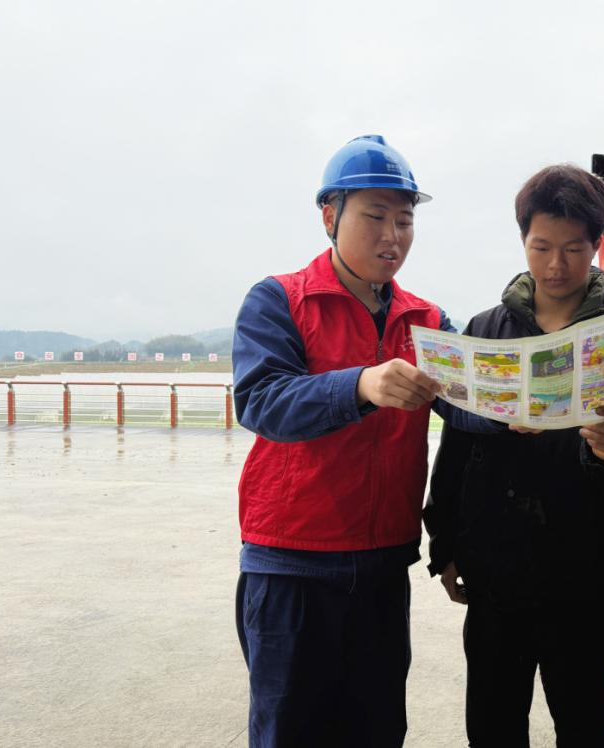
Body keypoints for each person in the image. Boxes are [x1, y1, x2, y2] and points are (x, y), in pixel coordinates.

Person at [232, 134, 493, 747]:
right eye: (375, 217)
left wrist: (534, 415)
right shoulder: (278, 300)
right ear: (330, 216)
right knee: (290, 731)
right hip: (293, 564)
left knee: (376, 730)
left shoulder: (427, 322)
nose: (392, 237)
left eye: (404, 221)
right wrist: (359, 385)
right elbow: (261, 400)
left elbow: (472, 405)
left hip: (381, 567)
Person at [423, 164, 604, 747]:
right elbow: (457, 447)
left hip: (583, 581)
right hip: (495, 575)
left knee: (582, 729)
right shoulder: (487, 330)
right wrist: (444, 544)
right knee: (492, 728)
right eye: (541, 248)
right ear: (522, 241)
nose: (556, 265)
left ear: (596, 245)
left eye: (573, 249)